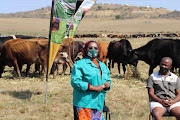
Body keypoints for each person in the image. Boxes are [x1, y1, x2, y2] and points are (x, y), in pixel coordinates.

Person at [71, 40, 111, 120]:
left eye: (96, 48)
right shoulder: (80, 64)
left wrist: (107, 84)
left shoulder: (103, 66)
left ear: (98, 50)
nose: (93, 50)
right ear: (86, 49)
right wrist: (93, 87)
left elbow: (108, 80)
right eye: (90, 48)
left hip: (98, 104)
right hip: (84, 104)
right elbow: (75, 82)